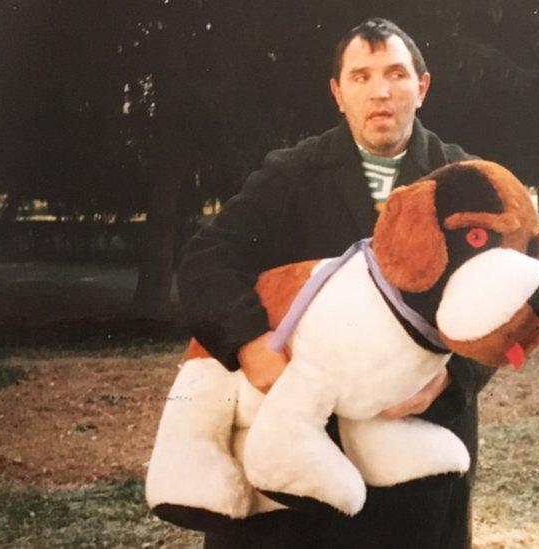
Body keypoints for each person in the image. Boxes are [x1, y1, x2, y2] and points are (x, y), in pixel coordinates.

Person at [178, 18, 489, 548]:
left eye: (395, 73)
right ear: (337, 93)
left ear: (423, 86)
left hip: (419, 441)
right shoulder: (292, 175)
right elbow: (206, 256)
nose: (381, 91)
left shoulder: (465, 180)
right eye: (361, 76)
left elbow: (505, 296)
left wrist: (454, 377)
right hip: (301, 449)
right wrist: (252, 346)